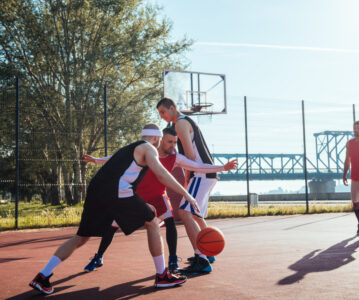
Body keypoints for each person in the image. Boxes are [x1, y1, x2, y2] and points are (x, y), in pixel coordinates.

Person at [29, 124, 200, 295]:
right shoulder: (149, 148)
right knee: (153, 222)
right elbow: (162, 174)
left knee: (81, 237)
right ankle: (162, 276)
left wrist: (139, 203)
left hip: (96, 190)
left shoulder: (128, 149)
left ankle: (42, 276)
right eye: (161, 139)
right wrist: (187, 194)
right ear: (156, 138)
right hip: (117, 192)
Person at [82, 127, 237, 274]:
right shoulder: (146, 151)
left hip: (158, 197)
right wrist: (97, 161)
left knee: (170, 223)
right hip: (137, 196)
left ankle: (173, 259)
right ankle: (99, 257)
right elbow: (118, 158)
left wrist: (222, 168)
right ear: (161, 140)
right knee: (113, 225)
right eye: (170, 141)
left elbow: (197, 166)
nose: (173, 145)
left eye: (175, 142)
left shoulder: (175, 158)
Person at [157, 97, 221, 275]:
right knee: (196, 213)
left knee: (184, 212)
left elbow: (190, 157)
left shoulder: (180, 124)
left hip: (200, 174)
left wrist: (187, 180)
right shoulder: (188, 121)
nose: (162, 116)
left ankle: (201, 259)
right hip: (207, 173)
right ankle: (208, 252)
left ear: (172, 108)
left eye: (163, 112)